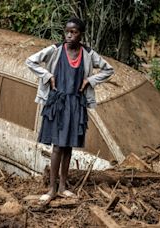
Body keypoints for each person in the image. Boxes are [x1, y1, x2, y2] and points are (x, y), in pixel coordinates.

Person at [25, 17, 114, 204]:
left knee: (68, 147)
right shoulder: (55, 50)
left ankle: (64, 187)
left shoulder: (88, 54)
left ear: (81, 34)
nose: (69, 35)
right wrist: (47, 75)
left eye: (74, 32)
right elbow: (31, 61)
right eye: (67, 31)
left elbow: (108, 69)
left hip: (76, 104)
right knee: (57, 146)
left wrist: (90, 80)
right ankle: (52, 188)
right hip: (57, 103)